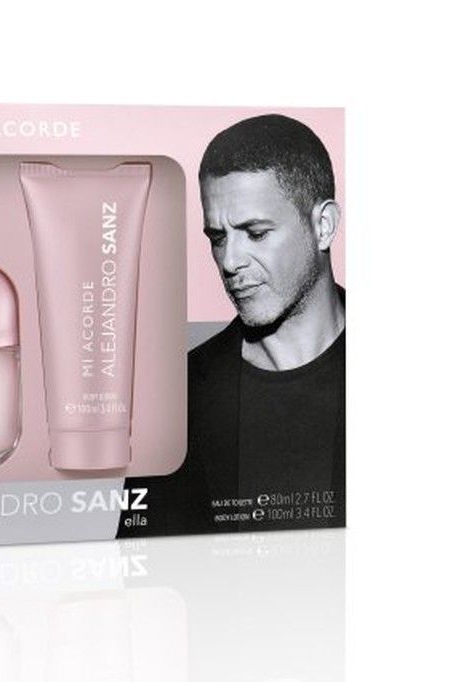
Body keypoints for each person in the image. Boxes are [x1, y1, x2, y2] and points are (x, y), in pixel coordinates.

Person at [185, 113, 346, 530]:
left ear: (323, 225)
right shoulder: (182, 397)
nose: (230, 261)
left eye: (255, 233)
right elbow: (147, 562)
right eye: (218, 237)